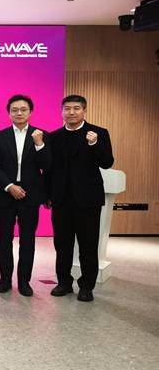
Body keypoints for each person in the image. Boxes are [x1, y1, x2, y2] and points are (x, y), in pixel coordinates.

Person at [47, 95, 113, 302]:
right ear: (61, 111)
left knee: (88, 245)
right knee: (62, 245)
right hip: (61, 200)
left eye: (76, 108)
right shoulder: (53, 136)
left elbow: (107, 162)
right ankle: (64, 282)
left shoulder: (98, 133)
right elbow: (49, 170)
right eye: (67, 108)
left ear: (84, 111)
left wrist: (94, 144)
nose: (71, 112)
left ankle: (86, 286)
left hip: (88, 200)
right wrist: (48, 196)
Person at [0, 95, 51, 297]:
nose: (19, 113)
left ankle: (24, 282)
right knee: (4, 239)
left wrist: (40, 144)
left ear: (30, 112)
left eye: (23, 109)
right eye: (14, 110)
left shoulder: (41, 135)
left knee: (28, 240)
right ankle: (5, 279)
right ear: (9, 113)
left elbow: (47, 166)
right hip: (6, 194)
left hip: (30, 196)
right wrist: (9, 186)